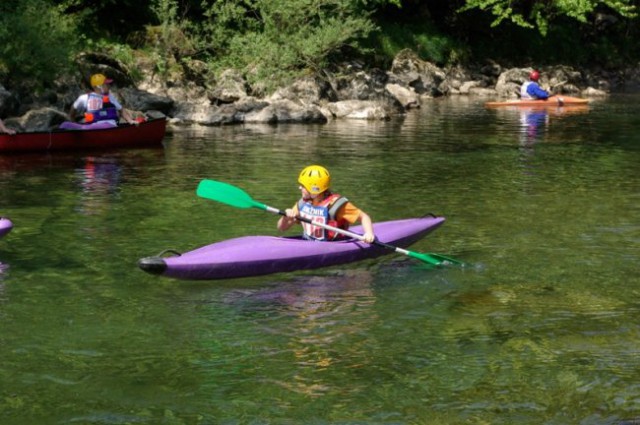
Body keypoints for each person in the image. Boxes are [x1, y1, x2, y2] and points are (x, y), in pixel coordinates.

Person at [277, 165, 376, 243]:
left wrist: (369, 234)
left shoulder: (336, 205)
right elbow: (282, 228)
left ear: (314, 189)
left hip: (334, 245)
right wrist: (286, 216)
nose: (300, 188)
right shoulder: (303, 203)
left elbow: (364, 217)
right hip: (308, 243)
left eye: (303, 186)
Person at [69, 73, 136, 127]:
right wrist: (73, 120)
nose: (109, 86)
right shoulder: (84, 98)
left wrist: (130, 121)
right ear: (98, 86)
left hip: (109, 126)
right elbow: (73, 108)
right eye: (106, 84)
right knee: (65, 125)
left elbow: (121, 110)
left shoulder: (110, 97)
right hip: (93, 127)